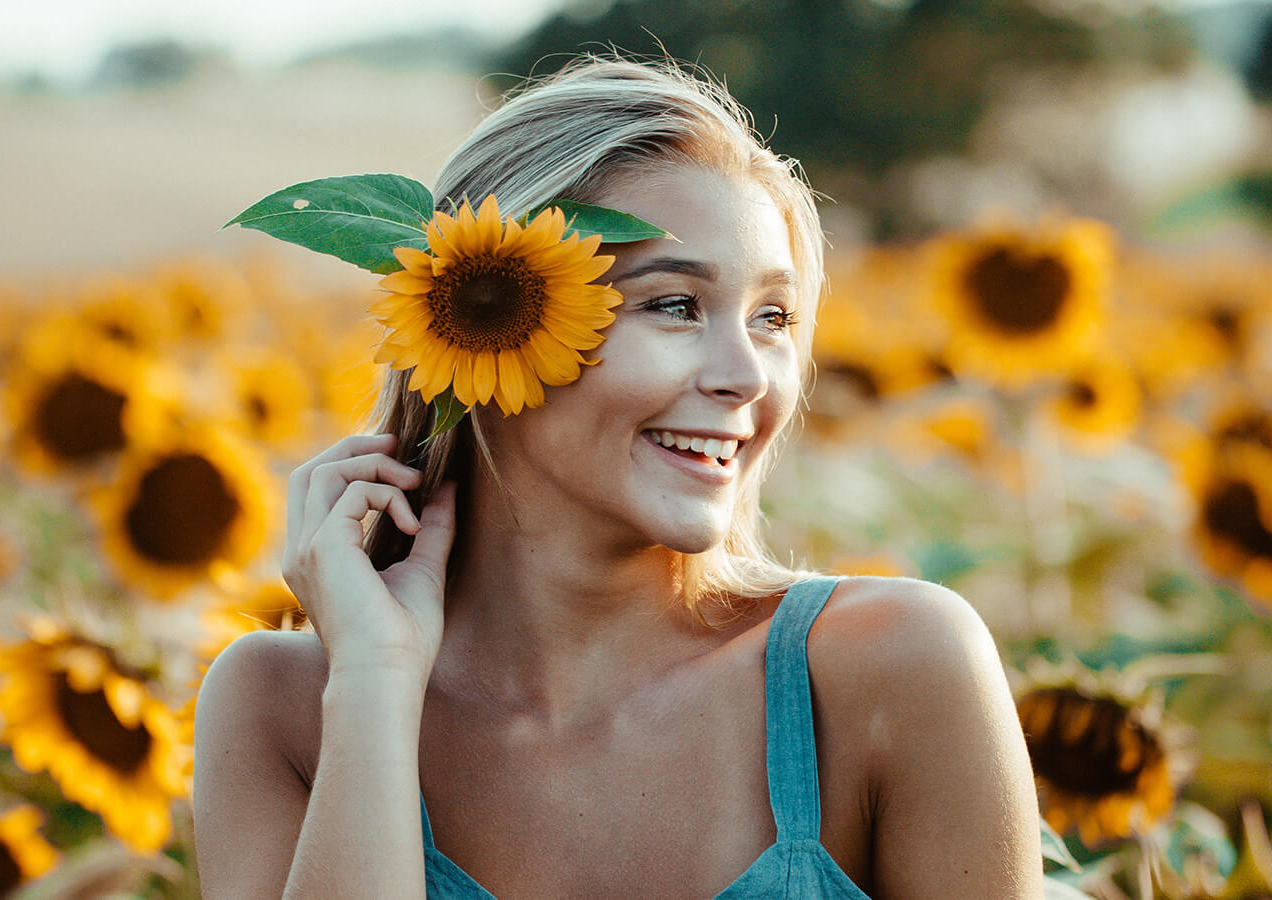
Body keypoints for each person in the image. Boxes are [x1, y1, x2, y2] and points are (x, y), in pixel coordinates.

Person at [194, 56, 1044, 898]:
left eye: (773, 318)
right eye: (676, 304)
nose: (746, 375)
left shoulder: (887, 667)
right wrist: (374, 686)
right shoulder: (281, 704)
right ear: (486, 319)